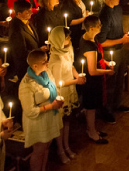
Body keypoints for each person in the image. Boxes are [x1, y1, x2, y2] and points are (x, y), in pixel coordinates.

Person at [19, 49, 64, 171]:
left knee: (46, 147)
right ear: (35, 65)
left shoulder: (46, 73)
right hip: (37, 123)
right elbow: (30, 111)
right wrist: (50, 106)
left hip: (49, 118)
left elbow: (54, 86)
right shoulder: (26, 84)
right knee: (39, 151)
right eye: (44, 61)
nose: (47, 63)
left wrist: (58, 98)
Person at [95, 0, 129, 123]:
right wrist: (121, 40)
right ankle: (107, 109)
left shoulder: (117, 8)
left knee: (119, 80)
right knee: (110, 83)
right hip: (109, 54)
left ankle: (117, 104)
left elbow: (117, 28)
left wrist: (125, 35)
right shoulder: (104, 15)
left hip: (120, 49)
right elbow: (102, 41)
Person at [47, 27, 84, 163]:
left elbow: (71, 66)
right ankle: (60, 150)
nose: (69, 40)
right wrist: (76, 80)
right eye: (66, 38)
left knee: (67, 122)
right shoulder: (55, 59)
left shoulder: (66, 51)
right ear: (59, 40)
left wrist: (77, 75)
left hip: (69, 91)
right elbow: (58, 83)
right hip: (60, 94)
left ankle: (66, 147)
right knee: (60, 124)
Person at [8, 0, 42, 82]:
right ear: (19, 13)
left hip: (34, 62)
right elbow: (20, 52)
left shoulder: (27, 21)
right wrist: (39, 51)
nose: (31, 13)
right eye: (27, 12)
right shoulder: (16, 29)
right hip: (25, 67)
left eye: (30, 10)